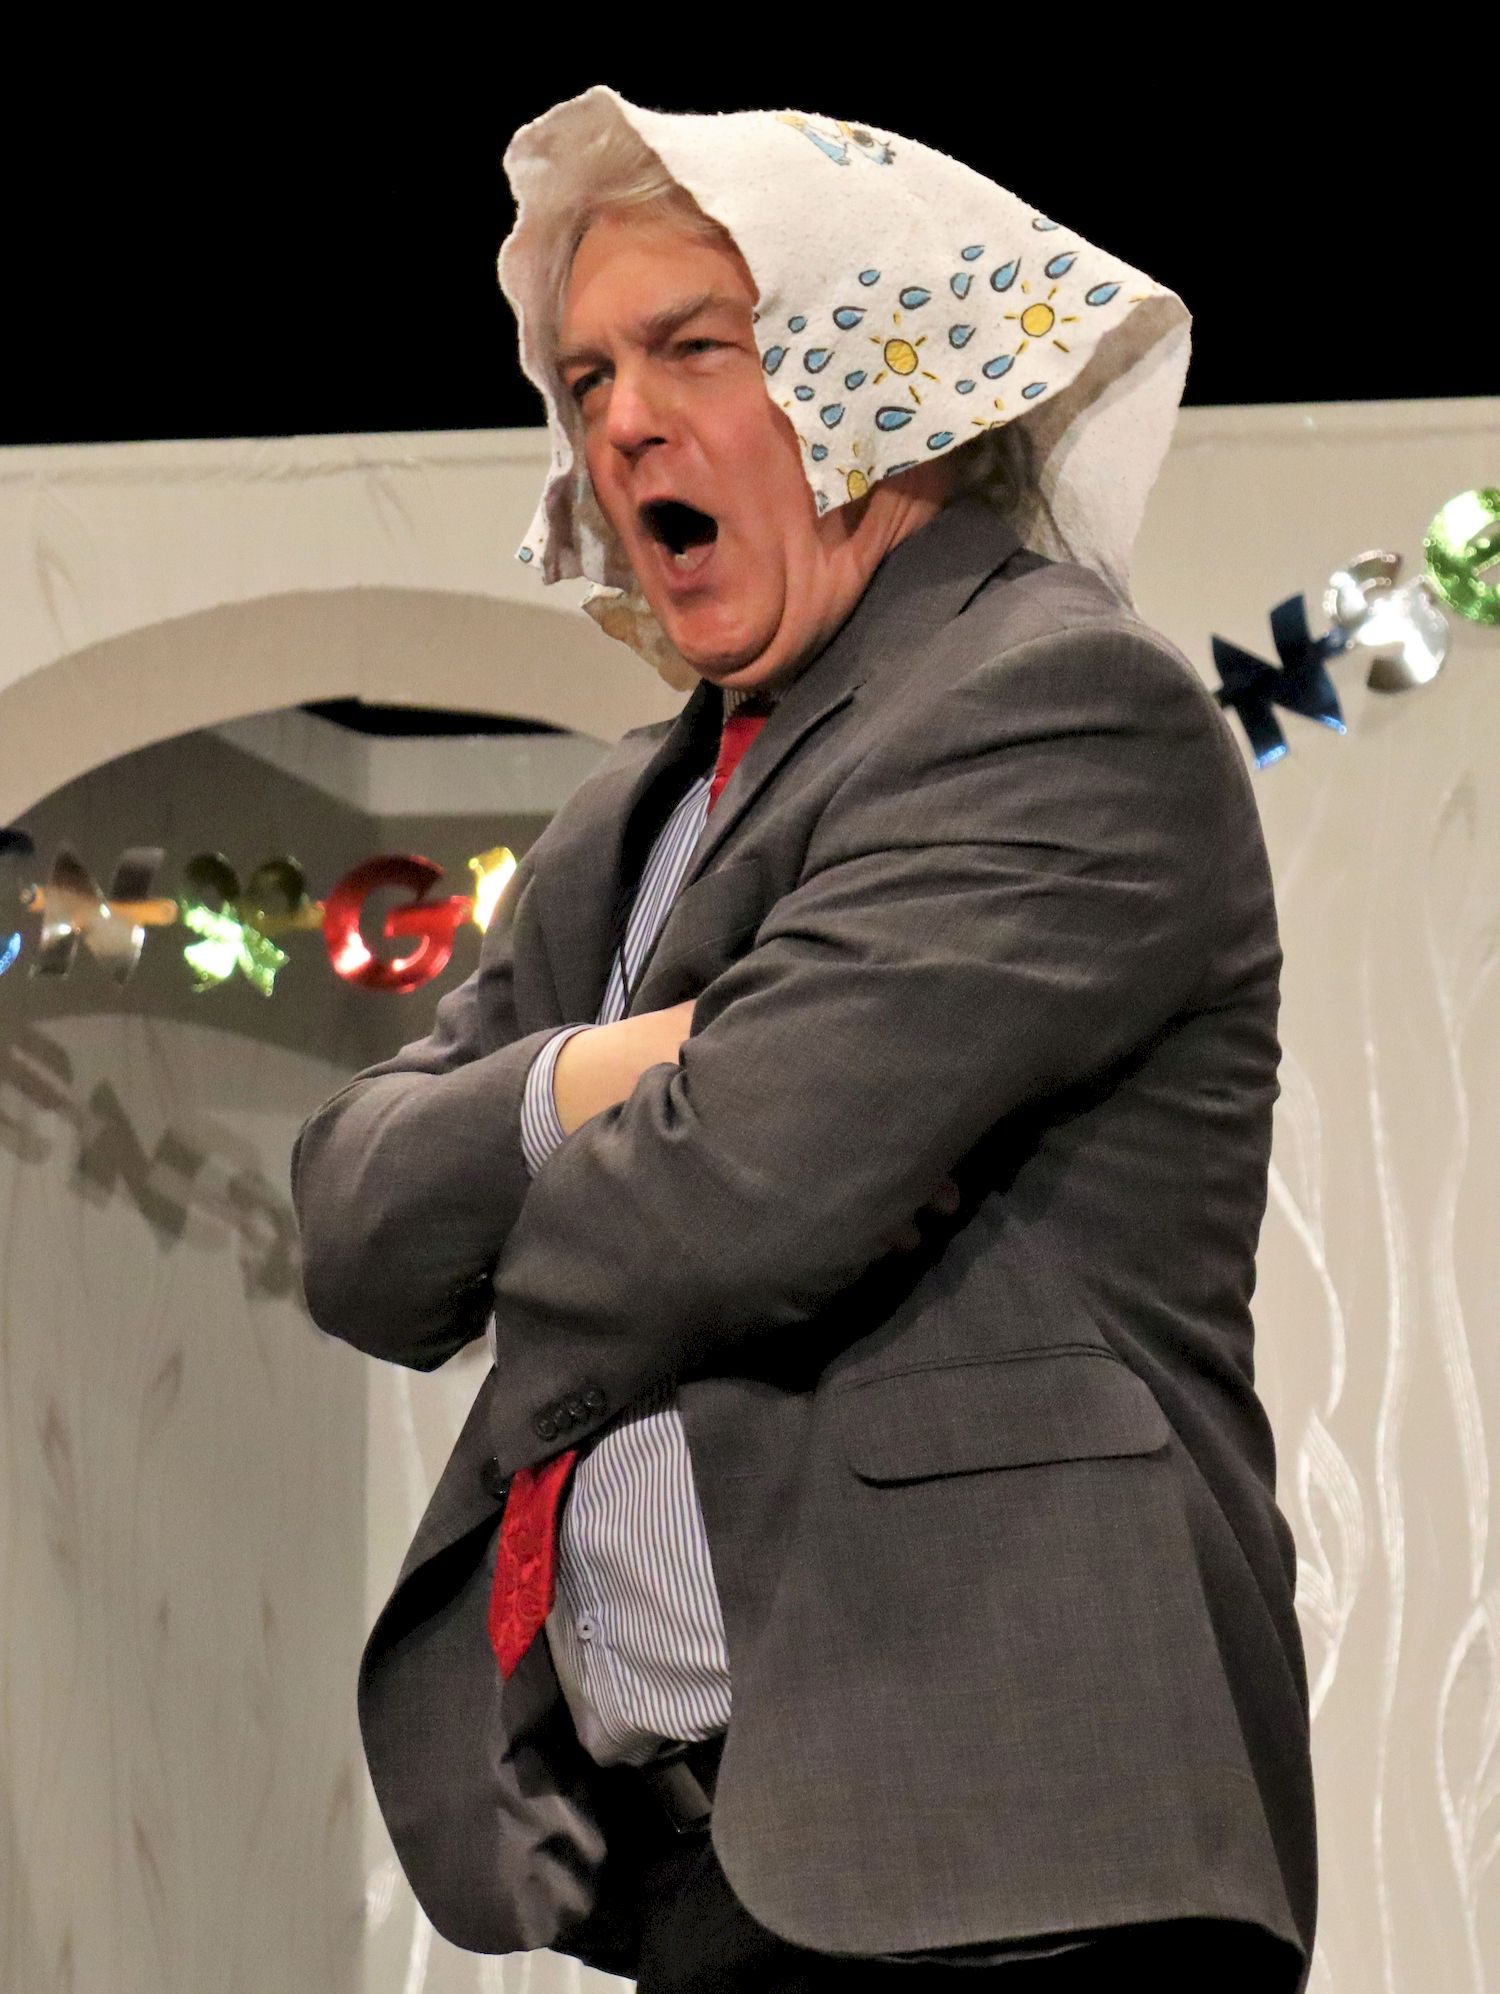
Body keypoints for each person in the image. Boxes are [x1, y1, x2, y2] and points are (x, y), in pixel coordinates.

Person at [291, 88, 1316, 1992]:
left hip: (1011, 1851)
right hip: (718, 1865)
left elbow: (740, 1199)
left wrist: (514, 1182)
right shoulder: (625, 816)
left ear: (875, 379)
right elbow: (351, 1226)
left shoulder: (1054, 706)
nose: (620, 419)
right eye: (587, 373)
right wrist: (602, 1078)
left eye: (694, 347)